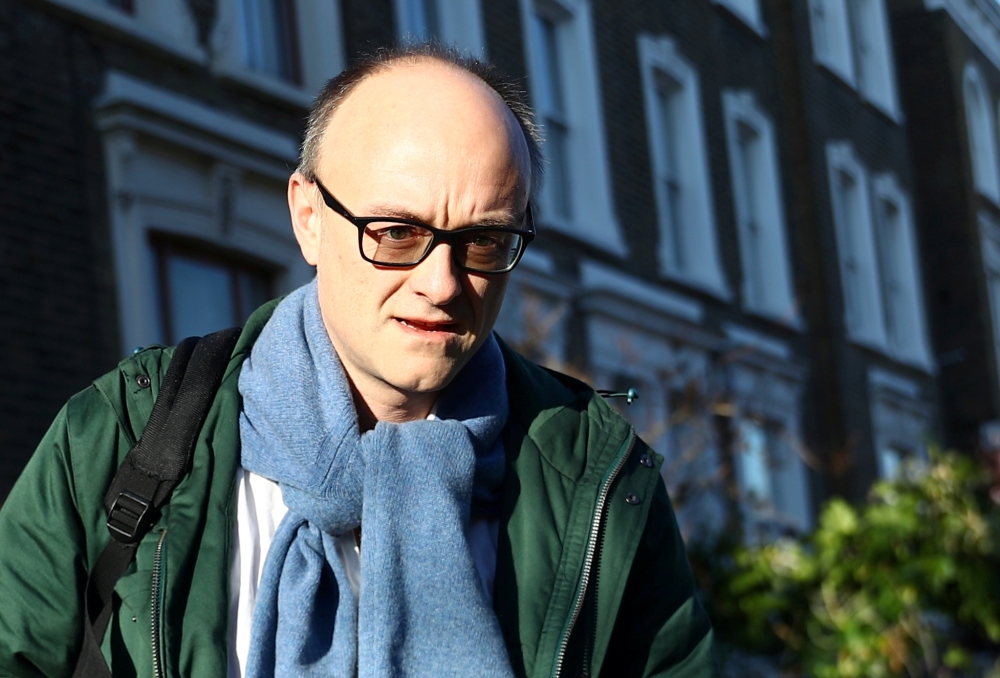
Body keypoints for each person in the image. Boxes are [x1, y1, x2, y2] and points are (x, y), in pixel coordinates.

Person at [0, 45, 714, 677]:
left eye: (485, 242)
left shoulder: (600, 477)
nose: (440, 284)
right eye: (396, 232)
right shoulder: (124, 434)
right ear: (307, 216)